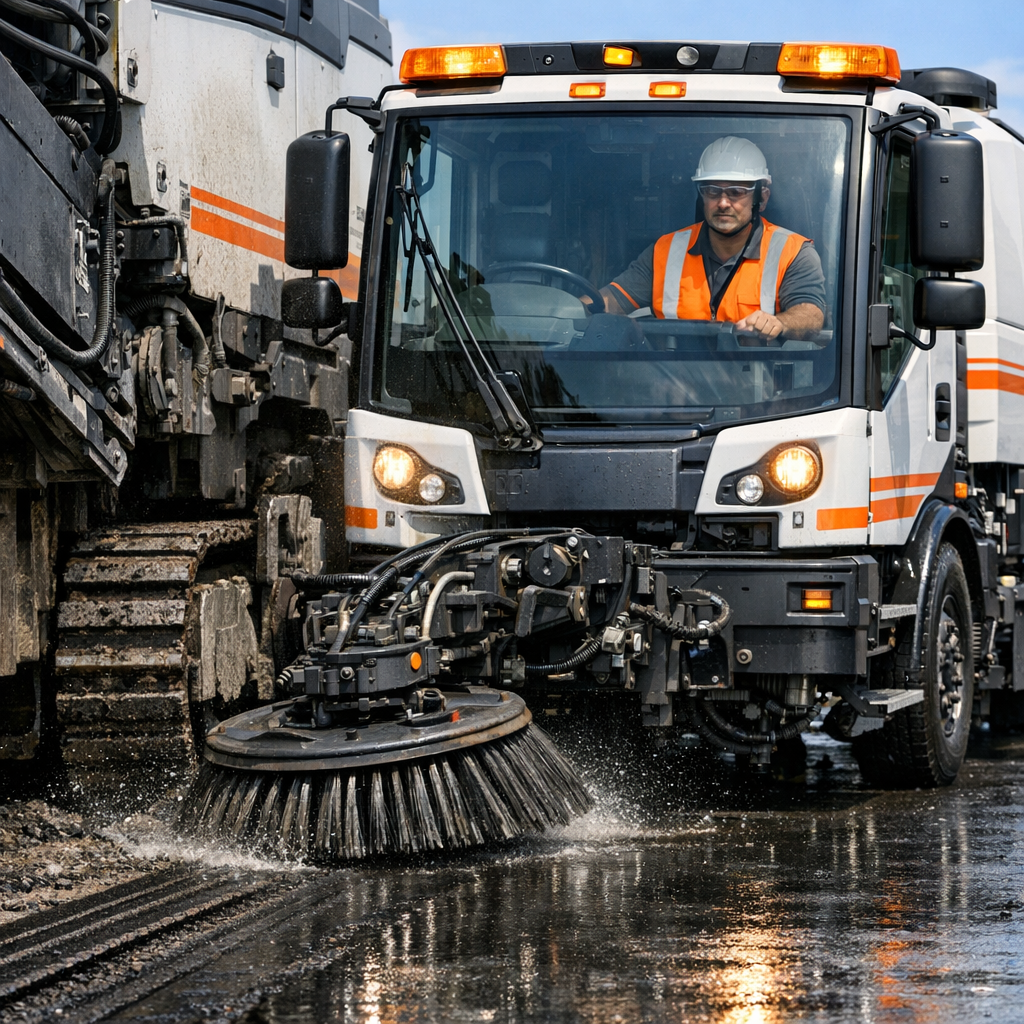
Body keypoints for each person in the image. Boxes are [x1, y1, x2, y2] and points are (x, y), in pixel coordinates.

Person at [592, 137, 826, 340]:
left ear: (761, 198)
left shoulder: (792, 251)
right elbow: (609, 301)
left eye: (736, 192)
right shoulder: (666, 250)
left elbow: (811, 314)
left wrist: (780, 323)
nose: (723, 203)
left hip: (757, 386)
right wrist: (567, 309)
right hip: (672, 385)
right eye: (712, 191)